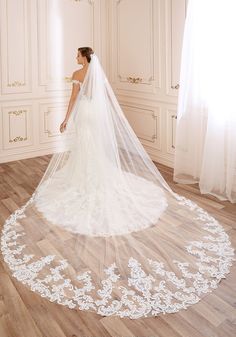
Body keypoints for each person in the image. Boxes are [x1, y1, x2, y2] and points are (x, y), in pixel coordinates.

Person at [1, 47, 235, 319]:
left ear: (84, 57)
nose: (75, 58)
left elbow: (74, 99)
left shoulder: (77, 74)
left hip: (85, 116)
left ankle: (85, 180)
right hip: (96, 117)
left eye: (77, 55)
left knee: (83, 149)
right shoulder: (97, 75)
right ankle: (97, 177)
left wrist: (66, 119)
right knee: (94, 150)